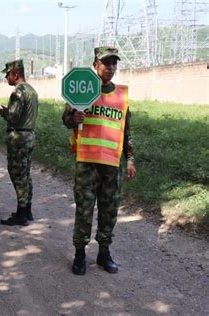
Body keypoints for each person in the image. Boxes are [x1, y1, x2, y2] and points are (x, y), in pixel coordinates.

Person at [62, 47, 137, 275]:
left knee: (109, 211)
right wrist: (73, 118)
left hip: (112, 165)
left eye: (114, 63)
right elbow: (66, 118)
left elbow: (126, 131)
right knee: (84, 211)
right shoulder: (82, 89)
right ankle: (80, 254)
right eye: (106, 63)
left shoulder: (121, 95)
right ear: (96, 64)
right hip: (87, 163)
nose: (111, 68)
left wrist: (131, 159)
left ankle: (104, 253)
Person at [0, 59, 39, 226]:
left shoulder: (18, 92)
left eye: (7, 74)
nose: (6, 77)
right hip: (29, 136)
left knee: (18, 175)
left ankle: (21, 214)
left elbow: (14, 117)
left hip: (19, 138)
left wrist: (4, 113)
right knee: (26, 174)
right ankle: (27, 209)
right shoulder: (32, 91)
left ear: (15, 74)